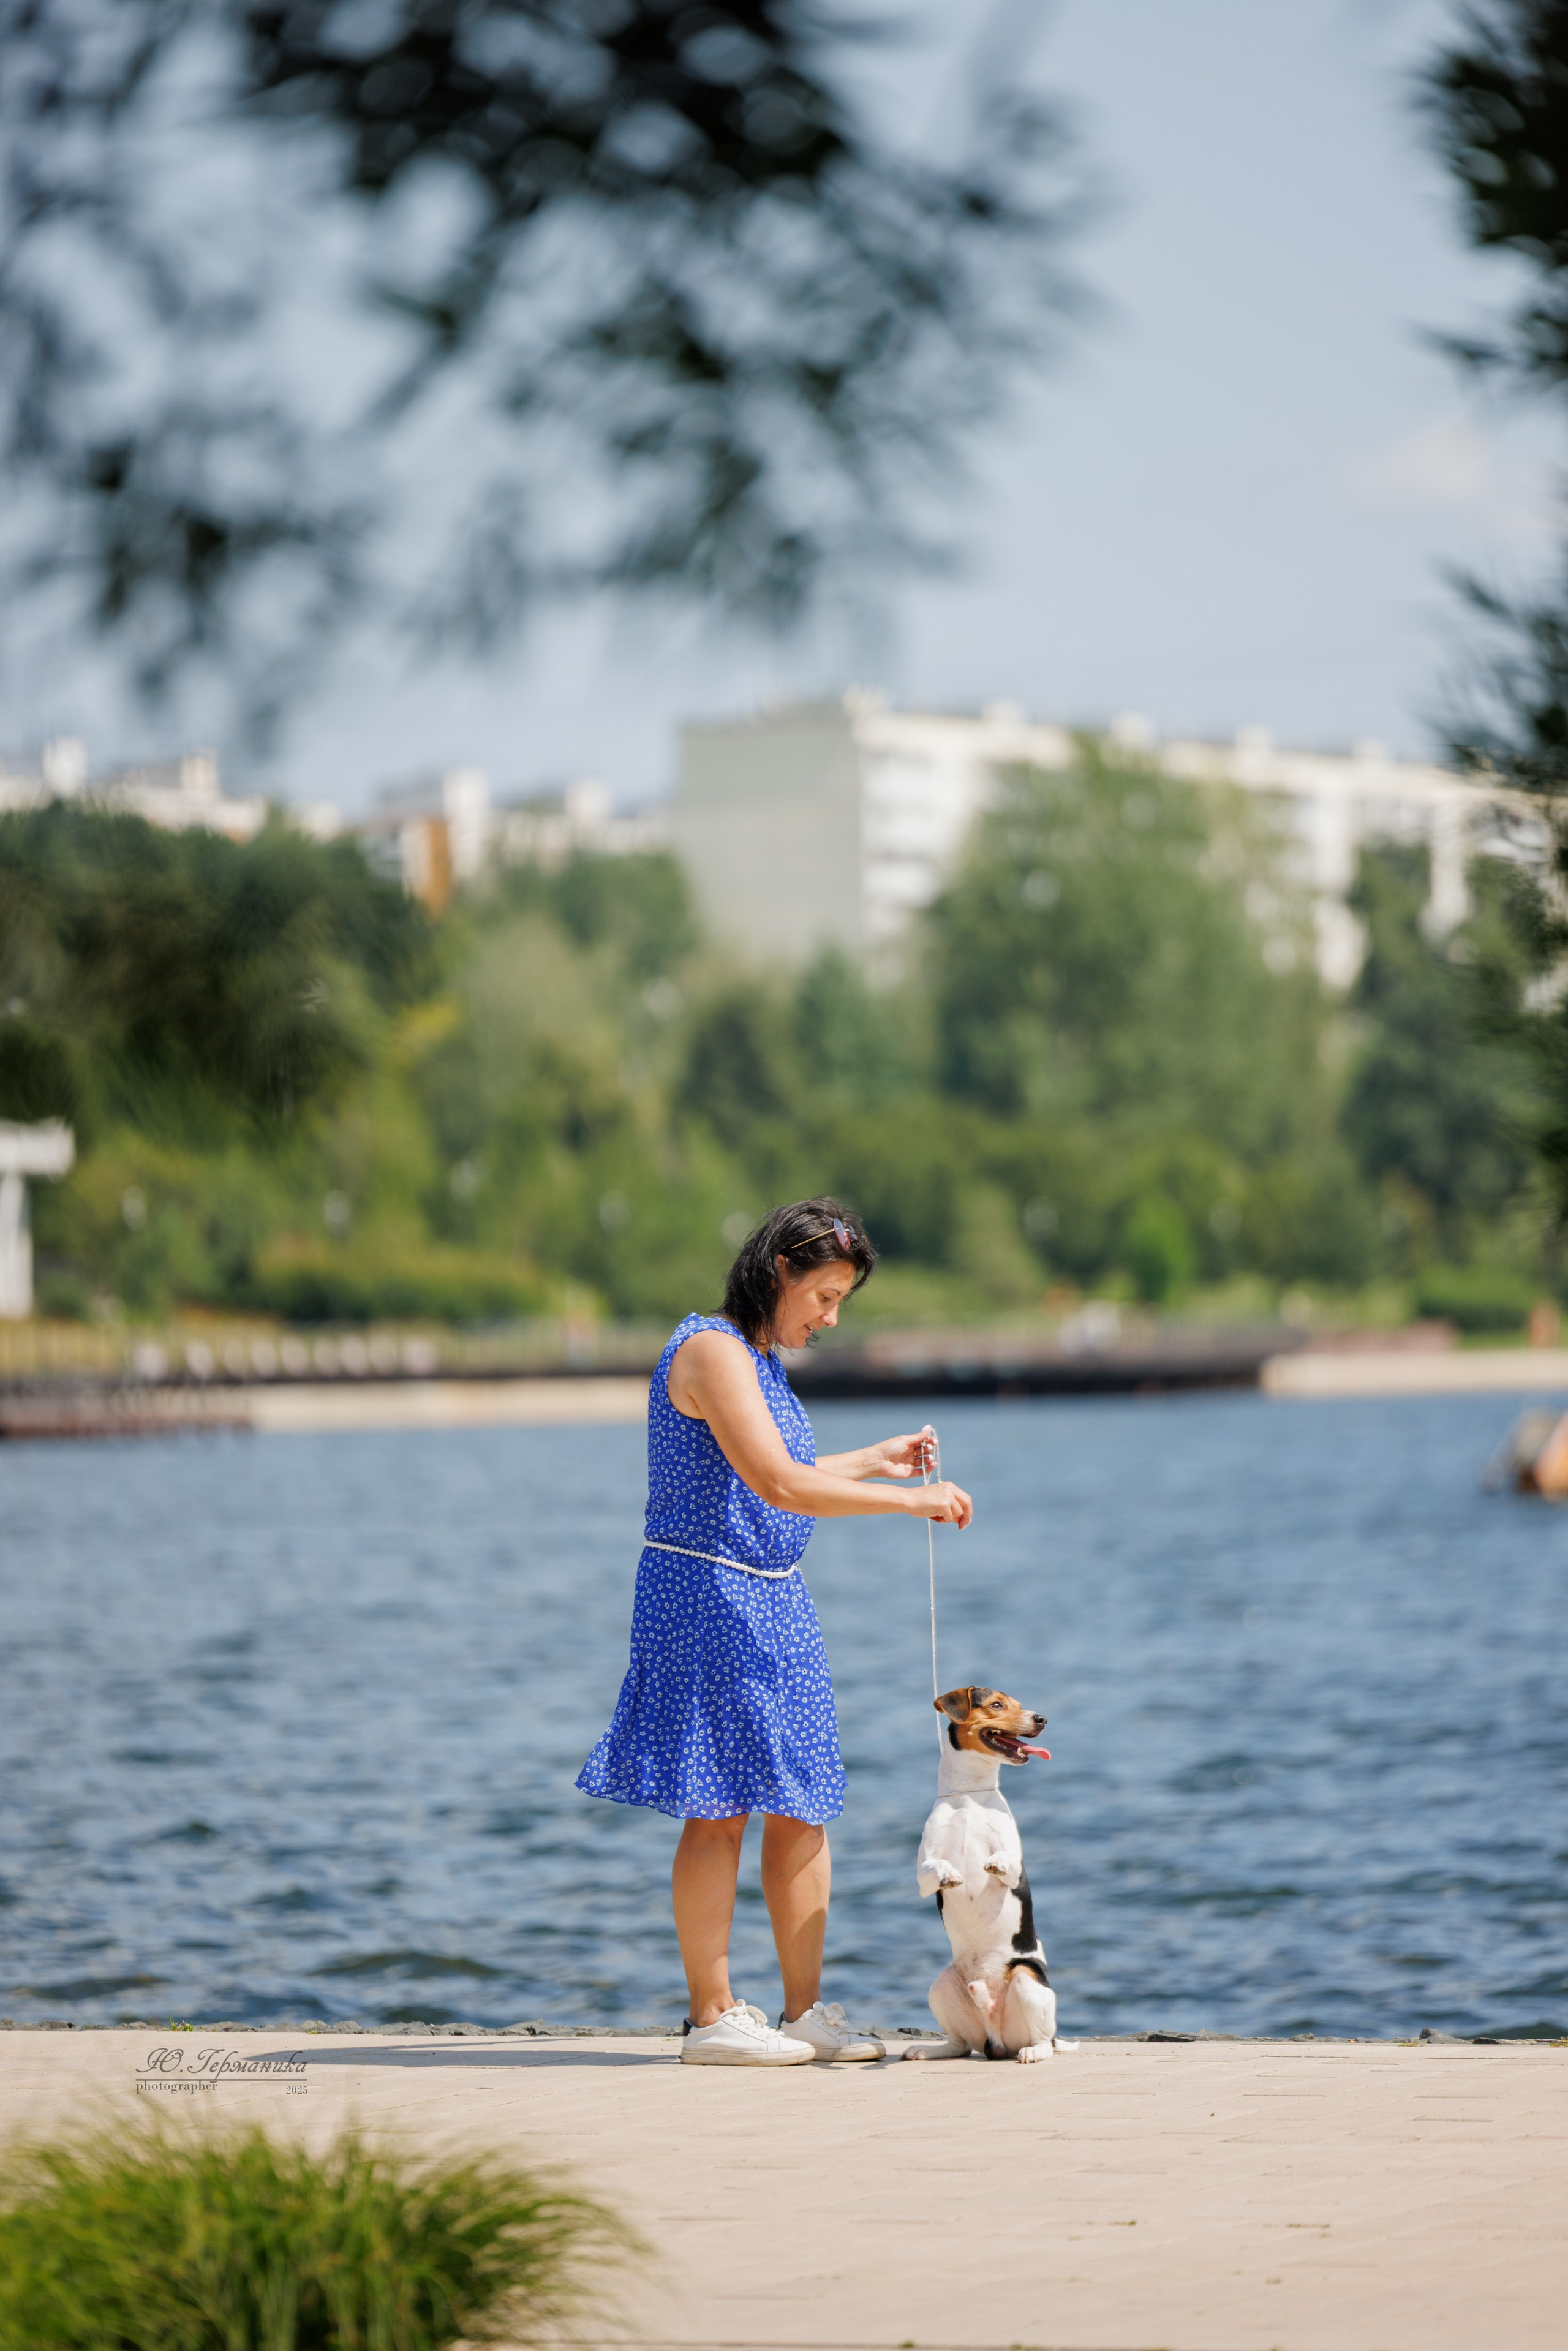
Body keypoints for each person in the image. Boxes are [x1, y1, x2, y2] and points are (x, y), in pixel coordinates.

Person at [576, 1198, 973, 2066]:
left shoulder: (759, 1359)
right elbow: (777, 1484)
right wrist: (912, 1501)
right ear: (779, 1271)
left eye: (841, 1303)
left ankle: (803, 2014)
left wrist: (876, 1458)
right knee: (718, 1806)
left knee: (801, 1802)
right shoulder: (714, 1350)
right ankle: (712, 2014)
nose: (830, 1318)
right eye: (824, 1296)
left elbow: (785, 1472)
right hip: (707, 1593)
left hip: (773, 1597)